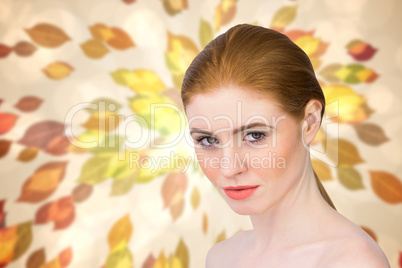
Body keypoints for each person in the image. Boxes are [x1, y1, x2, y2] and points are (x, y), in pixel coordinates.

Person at [181, 24, 390, 267]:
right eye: (208, 140)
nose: (229, 168)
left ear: (310, 122)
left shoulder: (351, 261)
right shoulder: (221, 257)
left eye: (255, 135)